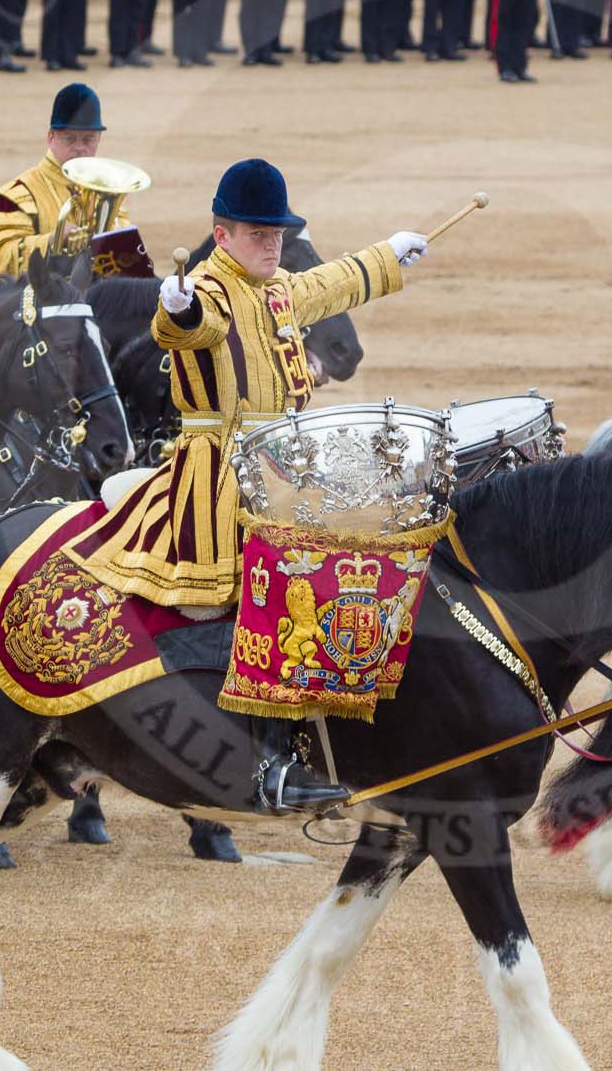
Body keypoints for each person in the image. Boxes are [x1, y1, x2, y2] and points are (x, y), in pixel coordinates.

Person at [78, 157, 427, 813]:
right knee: (264, 587)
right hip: (217, 477)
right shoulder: (207, 288)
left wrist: (388, 258)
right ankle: (261, 761)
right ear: (222, 232)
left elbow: (327, 285)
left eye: (276, 235)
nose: (271, 245)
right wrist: (173, 309)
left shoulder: (276, 288)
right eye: (258, 234)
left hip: (281, 468)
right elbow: (185, 326)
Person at [0, 83, 121, 275]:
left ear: (99, 139)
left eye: (88, 139)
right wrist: (51, 241)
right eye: (69, 139)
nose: (80, 148)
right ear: (51, 137)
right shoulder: (19, 194)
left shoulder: (108, 192)